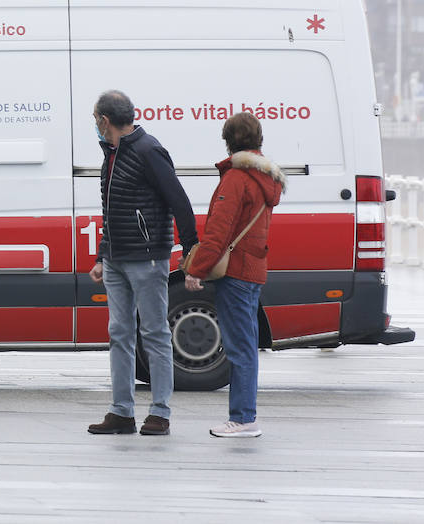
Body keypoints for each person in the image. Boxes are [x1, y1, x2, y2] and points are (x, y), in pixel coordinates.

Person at [87, 89, 198, 437]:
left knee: (154, 333)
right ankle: (121, 412)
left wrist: (193, 250)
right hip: (117, 260)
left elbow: (179, 201)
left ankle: (160, 413)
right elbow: (112, 210)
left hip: (148, 258)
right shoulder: (112, 154)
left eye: (95, 120)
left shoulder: (149, 150)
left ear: (105, 121)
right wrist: (103, 254)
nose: (96, 126)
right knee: (119, 333)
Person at [184, 111, 284, 438]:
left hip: (236, 273)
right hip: (253, 270)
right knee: (247, 345)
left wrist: (196, 270)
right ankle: (244, 416)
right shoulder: (265, 179)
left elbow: (218, 232)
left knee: (240, 347)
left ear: (229, 141)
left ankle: (243, 418)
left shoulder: (236, 179)